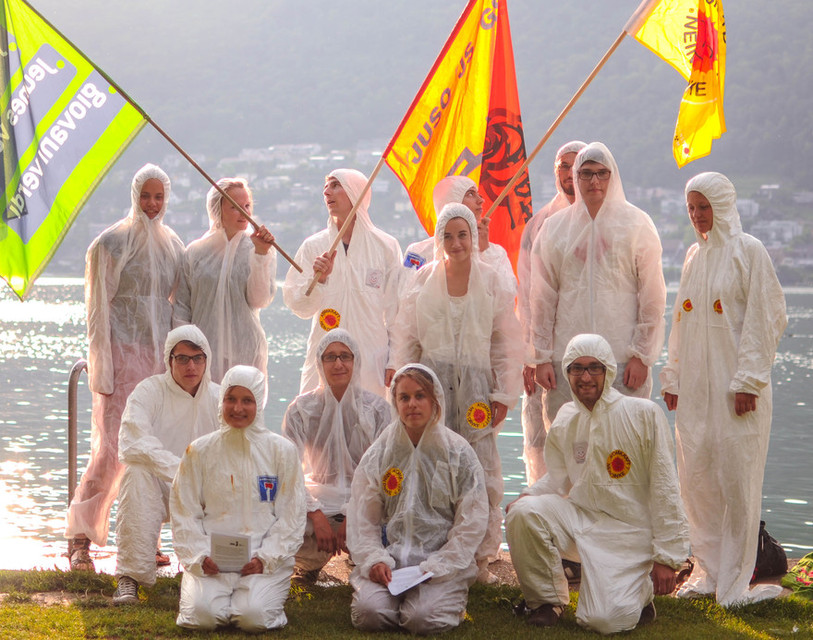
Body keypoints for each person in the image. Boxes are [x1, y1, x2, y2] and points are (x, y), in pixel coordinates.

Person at [505, 334, 689, 633]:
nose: (585, 376)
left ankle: (640, 593)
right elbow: (557, 475)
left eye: (594, 368)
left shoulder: (642, 414)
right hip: (582, 521)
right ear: (567, 372)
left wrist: (668, 557)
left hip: (628, 535)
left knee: (602, 621)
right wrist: (527, 495)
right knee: (523, 513)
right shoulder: (567, 416)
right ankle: (546, 601)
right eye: (577, 368)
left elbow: (665, 487)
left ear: (608, 371)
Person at [661, 172, 787, 606]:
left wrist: (749, 380)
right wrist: (673, 377)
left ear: (723, 205)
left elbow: (766, 317)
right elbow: (679, 320)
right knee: (697, 477)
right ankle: (707, 570)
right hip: (697, 390)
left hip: (738, 392)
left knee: (736, 481)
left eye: (704, 206)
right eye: (692, 208)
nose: (697, 216)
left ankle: (735, 580)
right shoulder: (694, 257)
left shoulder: (749, 252)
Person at [388, 203, 523, 583]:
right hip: (432, 386)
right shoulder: (422, 279)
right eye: (447, 235)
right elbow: (407, 338)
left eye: (462, 234)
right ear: (438, 239)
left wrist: (503, 394)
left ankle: (478, 560)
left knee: (480, 471)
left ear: (473, 236)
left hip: (478, 390)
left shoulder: (492, 279)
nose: (456, 242)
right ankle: (433, 552)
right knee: (435, 467)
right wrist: (405, 388)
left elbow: (505, 341)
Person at [66, 163, 184, 571]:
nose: (152, 204)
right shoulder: (111, 243)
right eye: (146, 196)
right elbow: (98, 310)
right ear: (135, 196)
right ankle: (80, 540)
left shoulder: (173, 246)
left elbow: (176, 307)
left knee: (151, 453)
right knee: (110, 451)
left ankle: (141, 540)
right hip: (121, 357)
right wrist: (102, 368)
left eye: (159, 197)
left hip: (157, 363)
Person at [530, 142, 666, 432]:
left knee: (624, 449)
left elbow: (652, 296)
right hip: (568, 362)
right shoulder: (555, 228)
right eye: (587, 173)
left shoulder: (636, 224)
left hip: (622, 360)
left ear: (613, 176)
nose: (594, 181)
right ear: (575, 178)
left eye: (602, 173)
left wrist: (641, 355)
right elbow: (542, 297)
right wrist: (541, 357)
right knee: (569, 449)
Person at [347, 364, 487, 635]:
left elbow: (471, 522)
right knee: (368, 615)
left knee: (421, 620)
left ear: (435, 400)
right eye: (404, 397)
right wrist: (375, 560)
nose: (412, 404)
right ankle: (399, 599)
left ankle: (440, 601)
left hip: (441, 567)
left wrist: (439, 565)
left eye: (420, 396)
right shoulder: (382, 451)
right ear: (395, 402)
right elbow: (362, 517)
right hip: (392, 563)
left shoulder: (458, 453)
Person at [171, 365, 306, 632]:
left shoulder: (281, 452)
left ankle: (246, 602)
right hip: (211, 561)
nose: (238, 408)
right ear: (221, 401)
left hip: (262, 560)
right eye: (230, 399)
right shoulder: (199, 451)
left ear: (260, 403)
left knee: (253, 618)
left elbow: (291, 515)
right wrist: (199, 556)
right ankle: (219, 602)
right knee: (201, 617)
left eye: (247, 400)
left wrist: (266, 558)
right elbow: (184, 512)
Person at [112, 325, 220, 605]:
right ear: (169, 360)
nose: (190, 365)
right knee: (135, 473)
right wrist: (181, 472)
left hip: (206, 492)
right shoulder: (149, 391)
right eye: (182, 358)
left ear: (207, 360)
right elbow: (132, 443)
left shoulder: (221, 398)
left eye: (197, 358)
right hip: (159, 486)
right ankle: (129, 578)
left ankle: (212, 573)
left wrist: (203, 481)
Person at [281, 329, 390, 582]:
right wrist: (316, 514)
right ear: (319, 363)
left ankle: (364, 555)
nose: (338, 363)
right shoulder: (301, 410)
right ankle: (309, 564)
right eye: (330, 357)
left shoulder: (377, 410)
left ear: (356, 361)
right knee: (282, 534)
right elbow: (288, 469)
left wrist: (354, 511)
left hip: (367, 504)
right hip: (319, 501)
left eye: (345, 356)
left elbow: (384, 471)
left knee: (388, 534)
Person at [283, 169, 402, 398]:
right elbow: (299, 306)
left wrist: (395, 360)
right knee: (318, 423)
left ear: (356, 193)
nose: (326, 191)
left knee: (370, 424)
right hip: (325, 354)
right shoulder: (313, 247)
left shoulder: (385, 246)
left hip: (370, 357)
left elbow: (396, 311)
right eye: (326, 186)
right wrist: (320, 280)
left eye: (336, 185)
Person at [517, 140, 586, 485]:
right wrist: (531, 356)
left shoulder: (614, 223)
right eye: (563, 165)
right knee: (543, 442)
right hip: (549, 358)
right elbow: (527, 295)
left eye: (579, 165)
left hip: (596, 355)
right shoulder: (540, 223)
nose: (570, 173)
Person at [173, 178, 276, 383]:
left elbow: (259, 300)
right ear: (216, 209)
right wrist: (185, 351)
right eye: (236, 207)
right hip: (201, 354)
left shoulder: (259, 248)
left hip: (245, 350)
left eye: (247, 206)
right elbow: (182, 306)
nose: (244, 212)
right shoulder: (195, 252)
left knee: (242, 412)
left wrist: (261, 255)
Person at [401, 175, 516, 294]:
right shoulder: (419, 253)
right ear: (450, 202)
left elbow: (505, 297)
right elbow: (406, 299)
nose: (481, 200)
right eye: (470, 194)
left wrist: (484, 253)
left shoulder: (495, 253)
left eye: (478, 194)